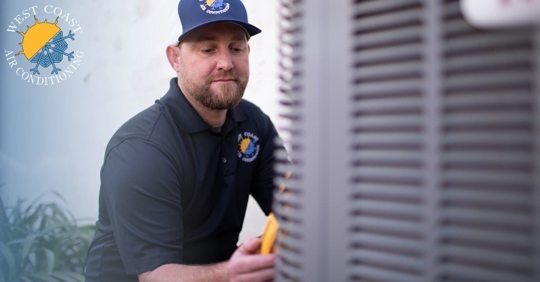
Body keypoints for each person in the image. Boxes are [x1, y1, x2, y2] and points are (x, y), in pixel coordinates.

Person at [85, 0, 281, 281]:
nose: (226, 63)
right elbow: (155, 275)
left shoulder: (252, 123)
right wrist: (233, 271)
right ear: (175, 58)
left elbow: (295, 207)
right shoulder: (143, 148)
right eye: (208, 49)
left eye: (236, 48)